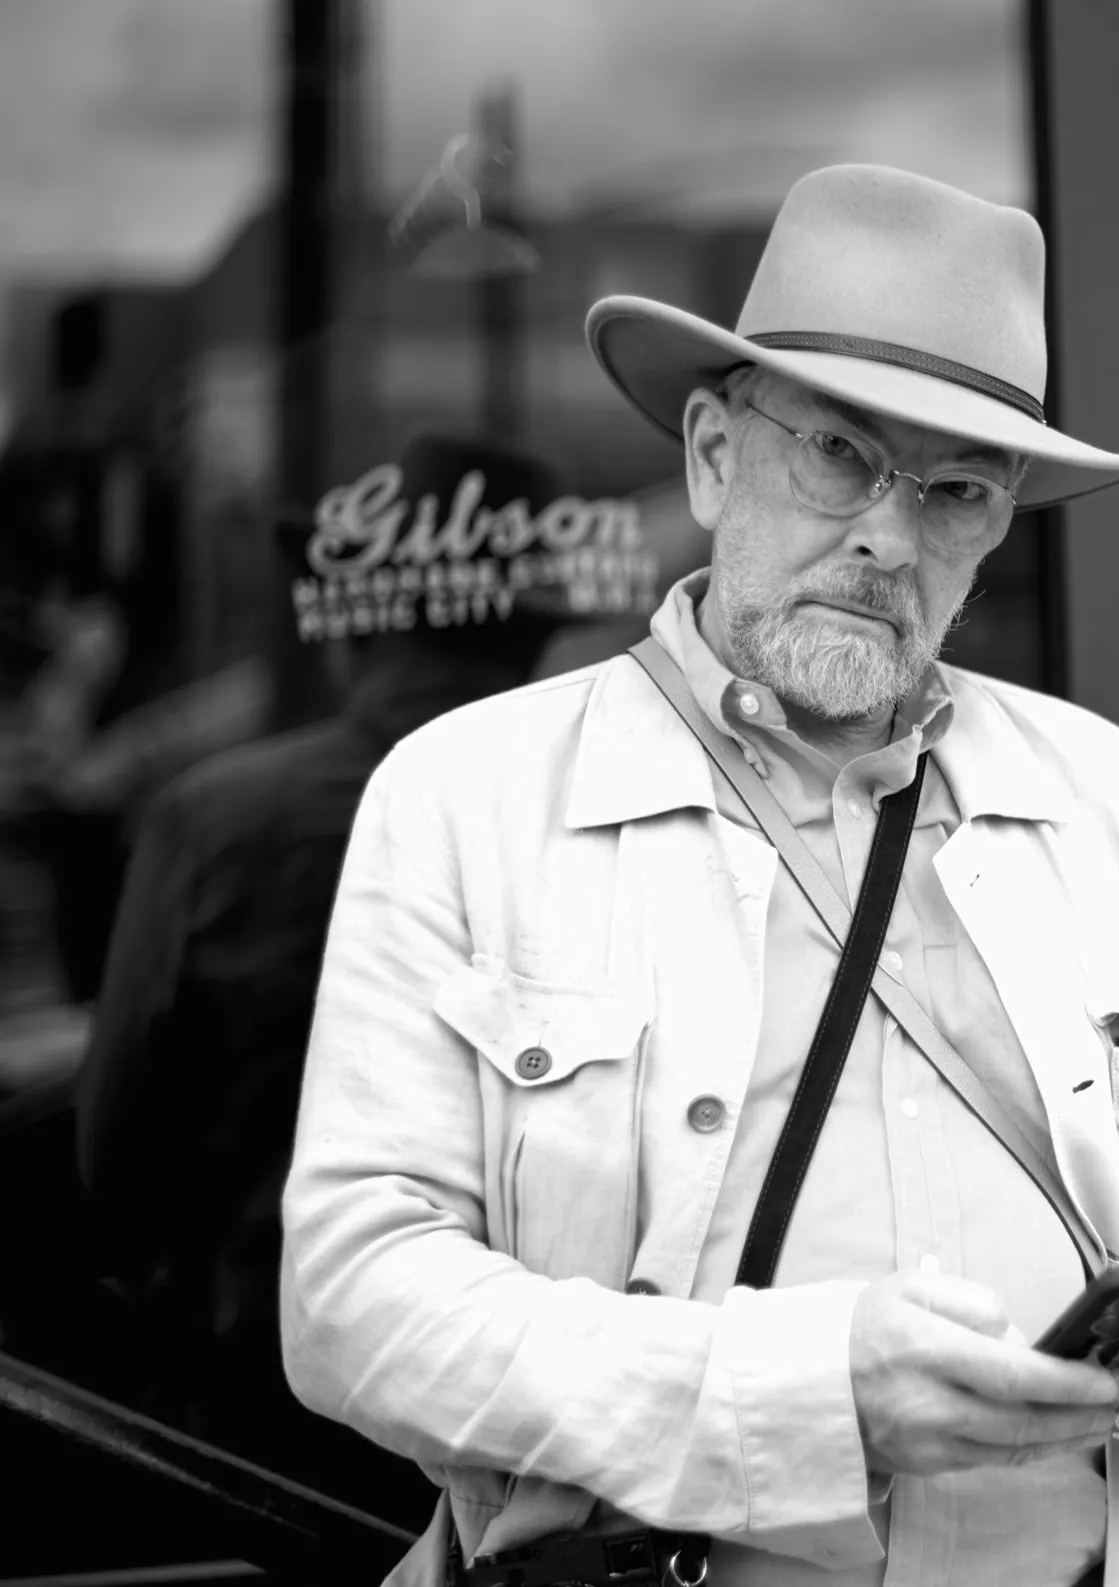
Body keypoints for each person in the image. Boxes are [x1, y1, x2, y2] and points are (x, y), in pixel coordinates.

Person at [279, 164, 1119, 1587]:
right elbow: (352, 1301)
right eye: (839, 455)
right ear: (710, 454)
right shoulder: (470, 795)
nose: (891, 533)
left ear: (1000, 525)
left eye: (955, 489)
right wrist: (804, 1396)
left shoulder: (1112, 793)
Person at [75, 436, 652, 1515]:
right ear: (532, 635)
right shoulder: (637, 826)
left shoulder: (216, 821)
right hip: (544, 1429)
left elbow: (119, 1164)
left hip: (256, 1422)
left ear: (352, 625)